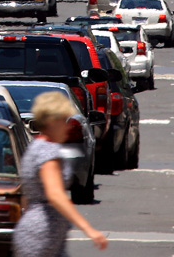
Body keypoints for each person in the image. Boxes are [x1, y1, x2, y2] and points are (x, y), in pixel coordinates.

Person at [13, 92, 108, 257]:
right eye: (63, 120)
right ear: (52, 122)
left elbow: (26, 195)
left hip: (40, 230)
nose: (68, 126)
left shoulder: (36, 147)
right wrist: (88, 228)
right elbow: (55, 194)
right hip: (43, 232)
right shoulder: (48, 152)